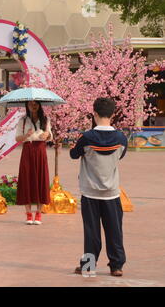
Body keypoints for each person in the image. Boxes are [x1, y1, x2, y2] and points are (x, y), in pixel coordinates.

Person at [70, 97, 127, 277]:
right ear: (113, 114)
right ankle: (116, 266)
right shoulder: (121, 138)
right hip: (111, 192)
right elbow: (121, 156)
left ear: (94, 113)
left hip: (90, 192)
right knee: (115, 230)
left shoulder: (86, 138)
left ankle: (88, 265)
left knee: (91, 232)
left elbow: (73, 154)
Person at [15, 101, 52, 225]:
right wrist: (26, 135)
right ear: (27, 106)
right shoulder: (23, 120)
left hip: (40, 150)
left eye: (36, 104)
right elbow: (17, 138)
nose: (33, 106)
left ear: (40, 105)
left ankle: (39, 213)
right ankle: (29, 214)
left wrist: (47, 134)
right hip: (28, 149)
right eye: (30, 104)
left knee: (41, 178)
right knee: (27, 179)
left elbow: (49, 135)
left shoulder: (45, 119)